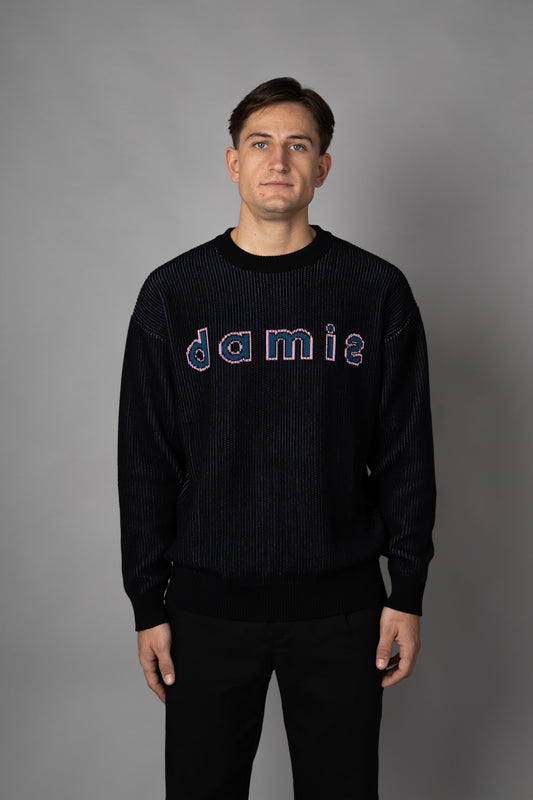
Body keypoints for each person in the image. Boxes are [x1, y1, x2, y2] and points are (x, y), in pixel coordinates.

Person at [117, 76, 436, 800]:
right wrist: (148, 603)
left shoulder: (375, 290)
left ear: (322, 167)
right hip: (204, 608)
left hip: (342, 609)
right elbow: (145, 460)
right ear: (234, 162)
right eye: (260, 143)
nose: (278, 160)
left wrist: (407, 591)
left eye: (299, 145)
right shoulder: (173, 293)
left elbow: (404, 454)